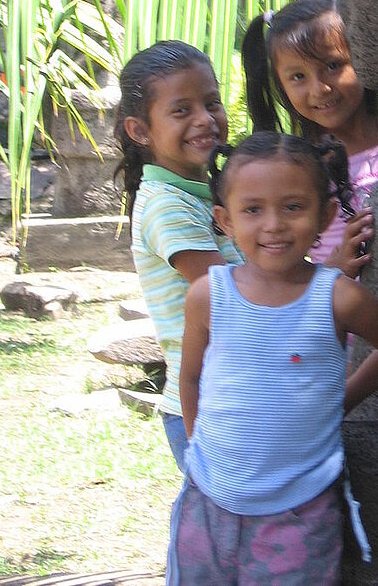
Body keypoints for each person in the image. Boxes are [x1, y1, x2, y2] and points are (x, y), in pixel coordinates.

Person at [168, 131, 378, 585]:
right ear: (224, 219)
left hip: (300, 511)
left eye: (293, 207)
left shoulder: (338, 298)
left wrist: (340, 402)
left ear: (323, 215)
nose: (274, 225)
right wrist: (197, 457)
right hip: (208, 502)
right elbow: (190, 379)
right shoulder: (209, 296)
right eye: (253, 209)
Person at [113, 40, 242, 471]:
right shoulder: (168, 205)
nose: (206, 120)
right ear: (140, 130)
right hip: (208, 405)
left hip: (233, 393)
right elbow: (232, 296)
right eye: (181, 110)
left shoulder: (205, 193)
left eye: (212, 102)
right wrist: (324, 278)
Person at [242, 0, 378, 276]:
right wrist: (335, 269)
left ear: (363, 56)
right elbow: (282, 264)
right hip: (348, 315)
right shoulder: (297, 168)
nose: (319, 88)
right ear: (282, 86)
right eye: (298, 77)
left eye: (333, 65)